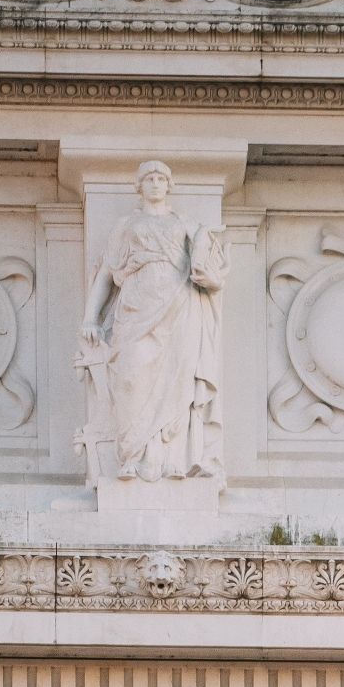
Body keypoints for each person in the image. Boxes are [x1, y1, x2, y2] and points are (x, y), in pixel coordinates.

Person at [77, 160, 226, 482]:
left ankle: (169, 456)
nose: (156, 183)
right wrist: (91, 317)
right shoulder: (126, 226)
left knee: (177, 382)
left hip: (180, 307)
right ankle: (130, 453)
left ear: (169, 185)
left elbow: (208, 268)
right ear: (139, 186)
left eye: (161, 178)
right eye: (150, 178)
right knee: (131, 377)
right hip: (135, 309)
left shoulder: (186, 224)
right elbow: (107, 273)